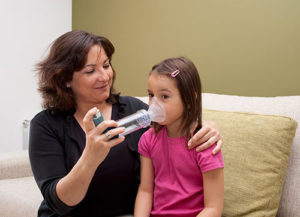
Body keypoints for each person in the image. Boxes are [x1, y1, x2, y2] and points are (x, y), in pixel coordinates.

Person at [29, 30, 223, 217]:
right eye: (90, 71)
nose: (105, 76)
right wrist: (90, 157)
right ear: (65, 79)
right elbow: (59, 203)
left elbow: (176, 122)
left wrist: (207, 125)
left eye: (106, 65)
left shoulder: (133, 110)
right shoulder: (46, 125)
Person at [134, 57, 224, 217]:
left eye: (164, 96)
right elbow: (145, 190)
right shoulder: (148, 140)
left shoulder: (204, 143)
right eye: (150, 95)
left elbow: (213, 208)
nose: (154, 104)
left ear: (189, 100)